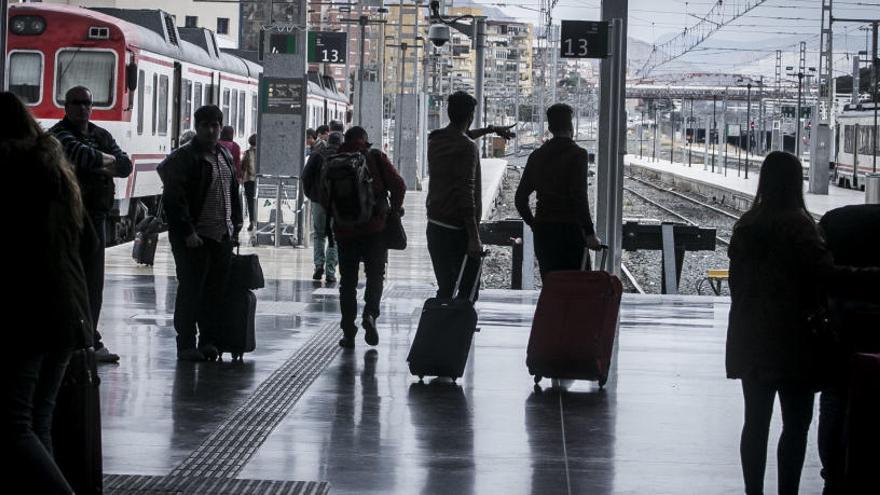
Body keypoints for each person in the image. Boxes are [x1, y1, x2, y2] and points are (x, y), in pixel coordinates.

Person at [725, 151, 879, 495]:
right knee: (795, 426)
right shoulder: (800, 226)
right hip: (794, 341)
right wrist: (872, 277)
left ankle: (753, 492)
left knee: (755, 423)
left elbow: (737, 286)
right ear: (797, 182)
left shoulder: (746, 227)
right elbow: (826, 276)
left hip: (751, 338)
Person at [2, 91, 95, 492]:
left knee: (14, 424)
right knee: (40, 419)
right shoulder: (57, 171)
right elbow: (90, 243)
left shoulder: (9, 171)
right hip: (67, 312)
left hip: (30, 313)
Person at [50, 85, 132, 364]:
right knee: (73, 280)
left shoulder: (101, 134)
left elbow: (125, 165)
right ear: (66, 106)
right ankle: (77, 340)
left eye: (86, 102)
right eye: (76, 102)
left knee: (93, 283)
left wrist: (98, 164)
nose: (82, 107)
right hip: (69, 219)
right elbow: (81, 156)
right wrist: (102, 163)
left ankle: (89, 338)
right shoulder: (58, 135)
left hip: (96, 217)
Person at [158, 105, 243, 361]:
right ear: (197, 127)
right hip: (195, 238)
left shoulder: (224, 155)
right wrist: (187, 231)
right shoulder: (185, 157)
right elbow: (174, 198)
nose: (210, 130)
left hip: (221, 236)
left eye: (215, 125)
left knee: (214, 293)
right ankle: (186, 344)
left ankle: (208, 341)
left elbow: (233, 191)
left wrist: (235, 226)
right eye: (205, 125)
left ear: (221, 127)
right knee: (191, 292)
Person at [815, 204, 880, 495]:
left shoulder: (836, 220)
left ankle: (832, 469)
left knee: (834, 398)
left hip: (839, 329)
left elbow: (818, 275)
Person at [425, 91, 514, 299]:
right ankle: (458, 331)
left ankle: (442, 330)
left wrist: (490, 130)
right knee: (468, 291)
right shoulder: (468, 148)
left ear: (449, 112)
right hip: (458, 231)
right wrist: (474, 237)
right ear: (471, 115)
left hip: (435, 226)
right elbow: (466, 193)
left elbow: (461, 135)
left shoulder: (435, 139)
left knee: (446, 289)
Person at [328, 127, 405, 349]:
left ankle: (348, 331)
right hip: (375, 229)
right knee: (375, 275)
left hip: (344, 230)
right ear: (365, 140)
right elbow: (399, 184)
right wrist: (395, 210)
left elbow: (320, 193)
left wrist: (336, 213)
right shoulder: (375, 157)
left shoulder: (334, 160)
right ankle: (370, 314)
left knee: (348, 282)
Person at [514, 103, 601, 279]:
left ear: (550, 128)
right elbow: (579, 196)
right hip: (571, 232)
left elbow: (520, 198)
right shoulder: (578, 154)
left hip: (545, 233)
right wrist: (590, 233)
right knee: (578, 287)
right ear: (571, 127)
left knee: (553, 286)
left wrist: (535, 225)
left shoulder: (537, 155)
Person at [302, 124, 340, 283]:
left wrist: (311, 194)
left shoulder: (317, 155)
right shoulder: (343, 156)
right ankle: (331, 272)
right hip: (337, 204)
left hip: (318, 201)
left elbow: (305, 176)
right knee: (334, 237)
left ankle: (318, 266)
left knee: (318, 235)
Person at [241, 134, 258, 231]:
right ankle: (258, 221)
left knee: (250, 202)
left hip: (248, 180)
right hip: (259, 180)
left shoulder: (247, 153)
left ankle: (252, 222)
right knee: (259, 201)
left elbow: (242, 165)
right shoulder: (262, 151)